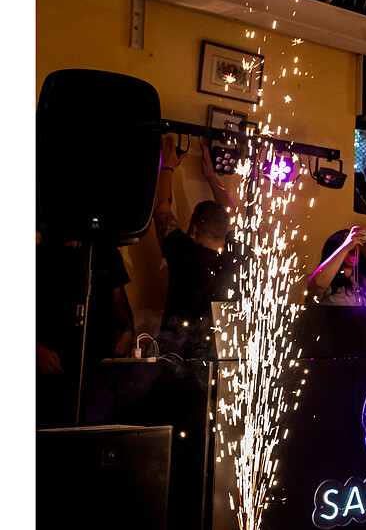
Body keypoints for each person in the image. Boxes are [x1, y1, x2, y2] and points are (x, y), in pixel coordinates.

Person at [153, 134, 239, 358]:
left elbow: (162, 208)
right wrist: (211, 176)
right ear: (224, 230)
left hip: (174, 357)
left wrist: (168, 166)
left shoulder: (182, 251)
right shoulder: (236, 258)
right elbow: (231, 212)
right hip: (218, 359)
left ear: (193, 229)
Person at [35, 237, 136, 427]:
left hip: (95, 372)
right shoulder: (40, 254)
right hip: (50, 371)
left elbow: (120, 303)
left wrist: (127, 331)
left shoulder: (106, 253)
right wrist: (36, 349)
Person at [308, 227, 366, 306]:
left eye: (356, 241)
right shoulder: (326, 282)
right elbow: (318, 284)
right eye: (346, 240)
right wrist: (347, 246)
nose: (353, 244)